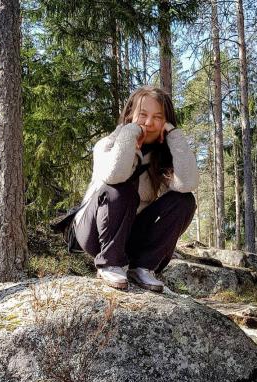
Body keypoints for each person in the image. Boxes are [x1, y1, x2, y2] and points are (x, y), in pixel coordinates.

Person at [72, 85, 199, 292]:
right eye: (143, 114)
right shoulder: (107, 144)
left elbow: (187, 183)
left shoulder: (162, 157)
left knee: (185, 200)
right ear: (130, 114)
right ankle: (109, 263)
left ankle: (143, 267)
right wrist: (129, 132)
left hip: (130, 234)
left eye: (158, 117)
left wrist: (174, 135)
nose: (149, 123)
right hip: (94, 231)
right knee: (121, 187)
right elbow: (115, 175)